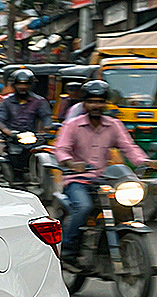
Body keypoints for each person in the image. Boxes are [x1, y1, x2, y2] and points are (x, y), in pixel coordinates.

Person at [52, 79, 157, 269]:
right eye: (92, 101)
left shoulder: (114, 125)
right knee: (84, 207)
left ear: (106, 103)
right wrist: (71, 163)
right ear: (84, 103)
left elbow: (129, 147)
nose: (96, 105)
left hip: (103, 179)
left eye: (100, 101)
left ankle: (117, 244)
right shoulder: (73, 125)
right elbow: (61, 149)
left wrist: (145, 162)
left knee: (126, 206)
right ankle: (68, 251)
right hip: (77, 180)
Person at [0, 68, 53, 183]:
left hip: (33, 139)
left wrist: (46, 129)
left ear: (30, 85)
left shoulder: (39, 101)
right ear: (14, 85)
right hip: (12, 139)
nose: (22, 87)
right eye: (19, 84)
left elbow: (46, 117)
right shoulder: (7, 102)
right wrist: (9, 133)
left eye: (25, 84)